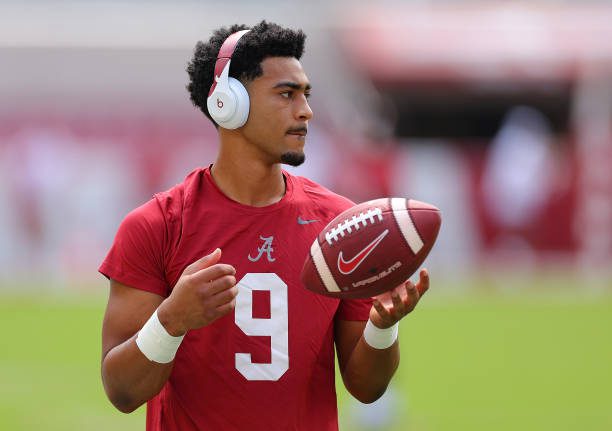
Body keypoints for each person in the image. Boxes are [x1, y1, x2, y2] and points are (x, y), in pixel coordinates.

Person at [99, 21, 430, 431]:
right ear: (228, 103)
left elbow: (366, 387)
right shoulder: (156, 226)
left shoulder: (338, 224)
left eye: (306, 94)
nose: (305, 110)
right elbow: (122, 392)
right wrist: (171, 321)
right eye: (286, 94)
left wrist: (383, 327)